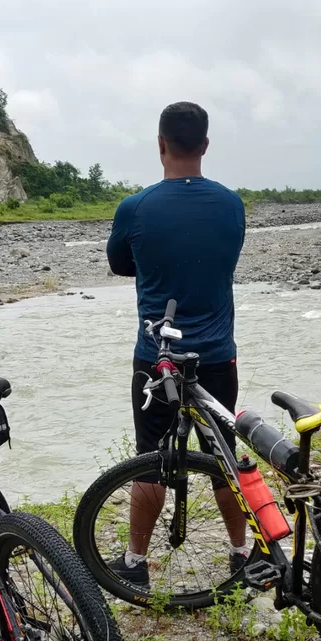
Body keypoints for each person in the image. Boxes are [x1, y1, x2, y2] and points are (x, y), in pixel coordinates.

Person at [105, 101, 247, 586]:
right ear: (205, 146)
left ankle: (136, 564)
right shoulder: (231, 204)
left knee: (151, 458)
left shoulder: (136, 207)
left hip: (156, 358)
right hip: (217, 356)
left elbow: (121, 265)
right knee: (223, 455)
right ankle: (241, 552)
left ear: (160, 144)